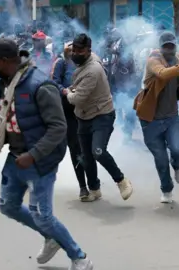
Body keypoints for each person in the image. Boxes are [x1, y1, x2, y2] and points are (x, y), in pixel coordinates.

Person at [0, 38, 93, 270]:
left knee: (42, 215)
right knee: (8, 206)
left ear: (4, 61)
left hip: (41, 160)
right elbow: (10, 120)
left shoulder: (41, 85)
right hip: (17, 156)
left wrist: (34, 154)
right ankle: (51, 237)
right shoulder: (2, 84)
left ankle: (80, 257)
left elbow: (59, 127)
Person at [133, 31, 179, 203]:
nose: (169, 50)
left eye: (172, 46)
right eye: (166, 46)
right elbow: (163, 74)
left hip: (171, 116)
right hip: (150, 119)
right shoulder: (153, 60)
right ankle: (166, 190)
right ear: (160, 46)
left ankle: (177, 165)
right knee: (161, 159)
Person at [65, 33, 133, 202]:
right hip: (83, 116)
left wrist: (67, 92)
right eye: (74, 50)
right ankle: (94, 189)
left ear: (89, 51)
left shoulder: (92, 71)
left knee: (98, 151)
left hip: (101, 115)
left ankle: (121, 180)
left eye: (80, 51)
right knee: (86, 156)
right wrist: (68, 51)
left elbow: (77, 99)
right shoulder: (88, 58)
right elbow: (69, 54)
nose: (76, 54)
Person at [51, 41, 94, 201]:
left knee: (89, 148)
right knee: (75, 148)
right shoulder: (61, 63)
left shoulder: (89, 64)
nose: (74, 54)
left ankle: (93, 183)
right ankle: (83, 186)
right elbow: (54, 82)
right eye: (71, 51)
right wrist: (65, 90)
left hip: (85, 109)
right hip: (68, 111)